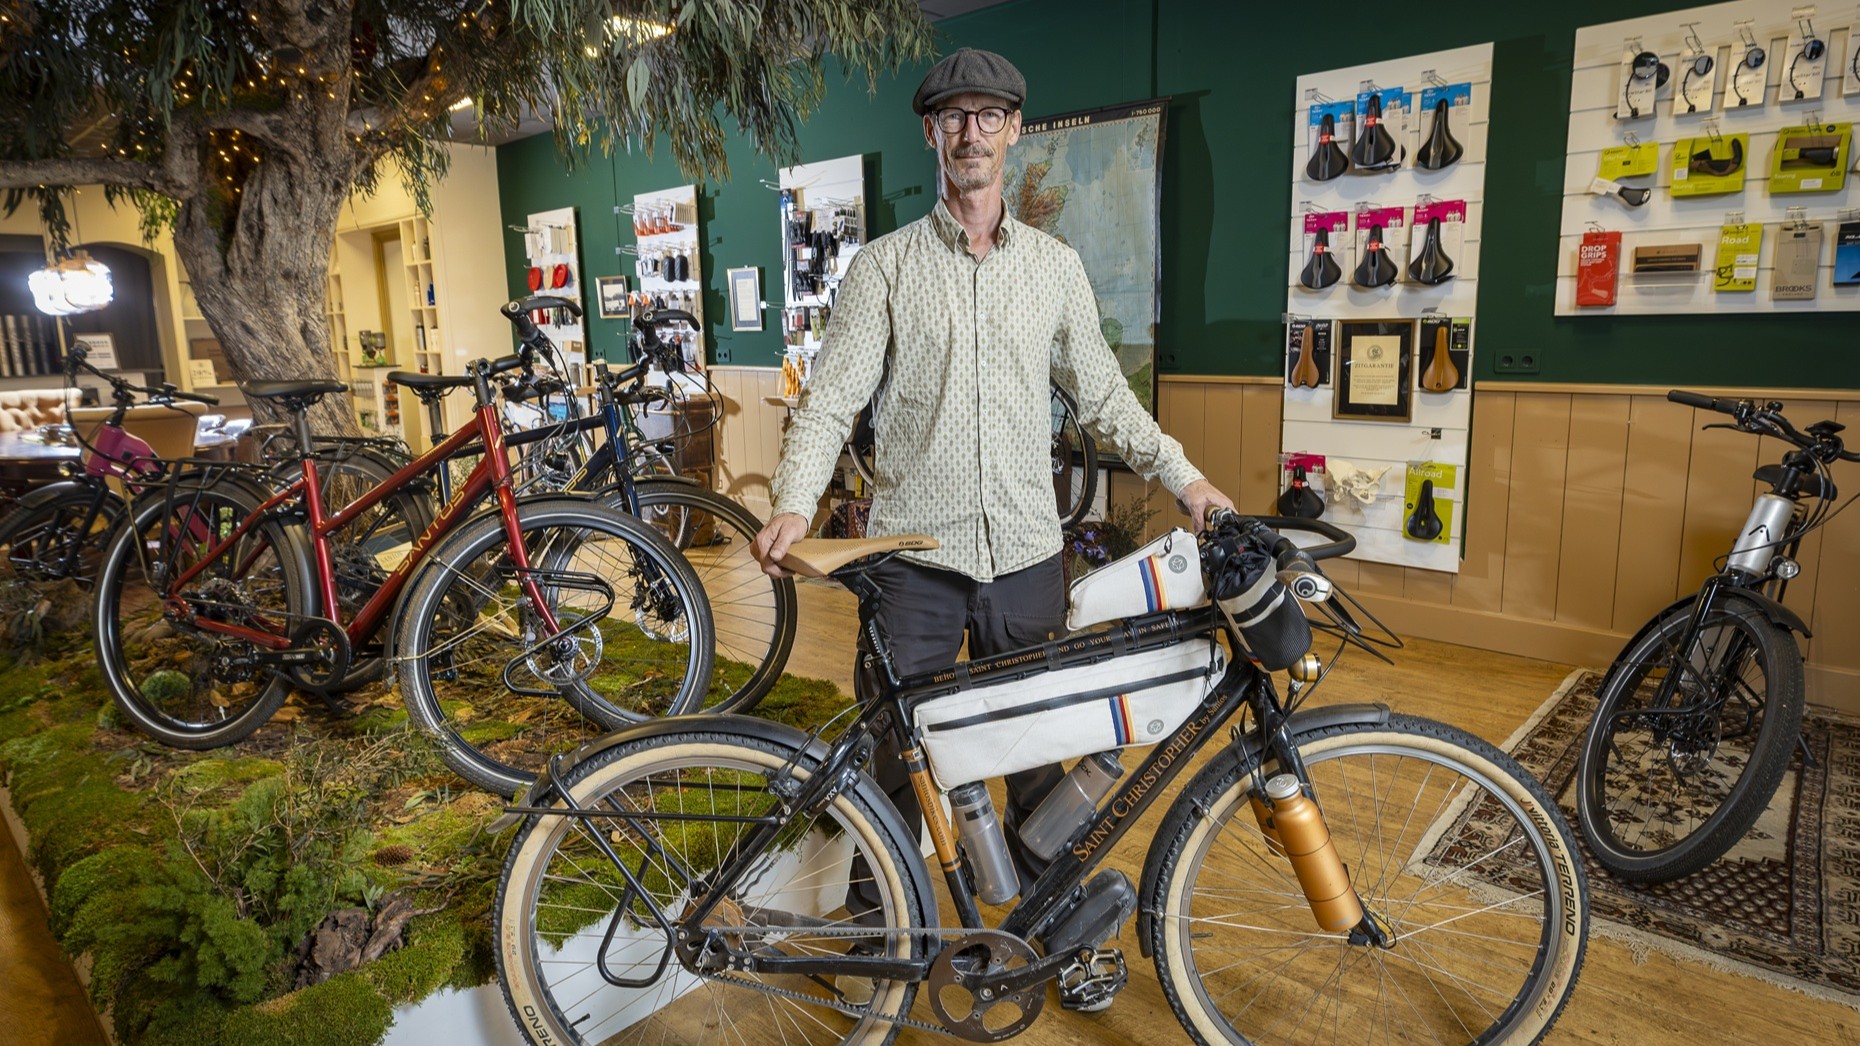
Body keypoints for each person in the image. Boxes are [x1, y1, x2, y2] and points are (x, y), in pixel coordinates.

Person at [751, 47, 1233, 1011]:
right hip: (913, 565)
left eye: (989, 115)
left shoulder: (1055, 270)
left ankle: (1043, 932)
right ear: (930, 133)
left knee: (1034, 757)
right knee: (896, 759)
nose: (970, 132)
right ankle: (869, 935)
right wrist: (795, 501)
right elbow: (832, 398)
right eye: (953, 116)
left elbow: (1105, 398)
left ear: (1014, 131)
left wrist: (1189, 481)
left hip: (1025, 558)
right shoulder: (883, 268)